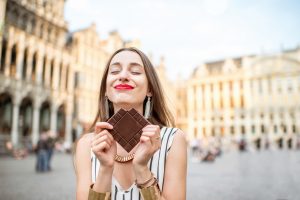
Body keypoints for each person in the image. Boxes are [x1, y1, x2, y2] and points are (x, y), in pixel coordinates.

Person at [75, 47, 187, 200]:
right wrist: (105, 169)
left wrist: (142, 169)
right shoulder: (86, 144)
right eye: (114, 71)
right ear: (106, 90)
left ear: (150, 89)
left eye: (135, 72)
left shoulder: (173, 140)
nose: (123, 76)